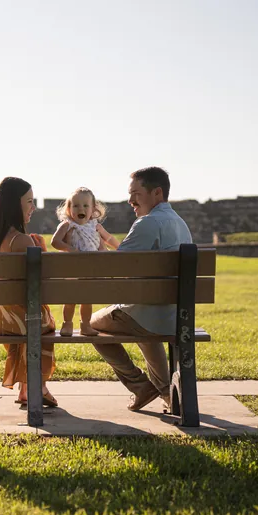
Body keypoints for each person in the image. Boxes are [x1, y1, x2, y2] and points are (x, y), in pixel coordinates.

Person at [89, 167, 193, 412]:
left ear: (157, 193)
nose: (130, 200)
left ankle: (139, 385)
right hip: (174, 316)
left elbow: (117, 268)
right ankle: (168, 394)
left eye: (136, 193)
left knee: (92, 325)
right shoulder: (180, 224)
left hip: (146, 315)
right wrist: (108, 240)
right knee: (143, 319)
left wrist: (95, 244)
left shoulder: (146, 223)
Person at [0, 177, 58, 407]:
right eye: (29, 201)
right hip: (23, 321)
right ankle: (36, 386)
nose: (33, 207)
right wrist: (41, 251)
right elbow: (45, 283)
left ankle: (28, 388)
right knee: (42, 322)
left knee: (27, 318)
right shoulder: (22, 241)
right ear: (14, 204)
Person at [50, 187, 120, 336]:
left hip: (90, 270)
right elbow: (55, 242)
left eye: (85, 205)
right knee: (71, 299)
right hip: (73, 269)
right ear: (69, 209)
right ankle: (67, 324)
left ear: (93, 209)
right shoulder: (68, 225)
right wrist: (69, 248)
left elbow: (108, 239)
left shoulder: (95, 226)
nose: (80, 208)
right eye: (75, 205)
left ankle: (85, 325)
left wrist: (120, 248)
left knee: (87, 300)